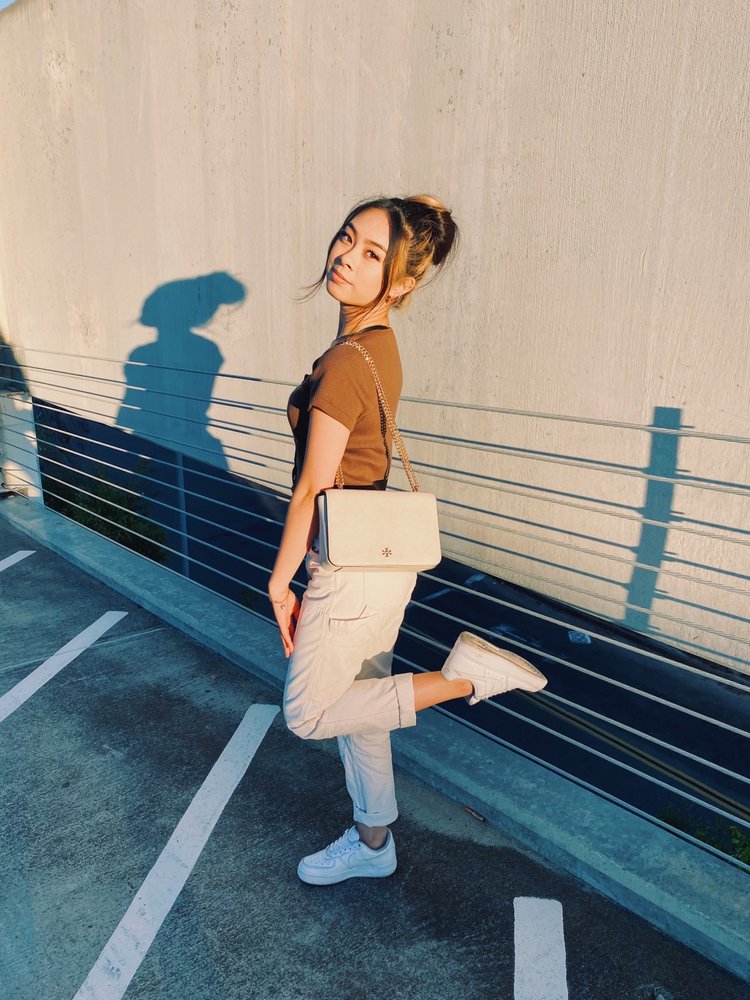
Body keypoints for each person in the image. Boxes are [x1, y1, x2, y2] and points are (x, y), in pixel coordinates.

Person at [268, 195, 547, 886]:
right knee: (363, 712)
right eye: (347, 238)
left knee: (307, 714)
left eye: (371, 254)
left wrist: (279, 584)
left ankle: (467, 678)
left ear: (399, 284)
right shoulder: (378, 347)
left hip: (352, 568)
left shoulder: (348, 361)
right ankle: (373, 844)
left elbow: (312, 486)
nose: (345, 257)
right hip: (379, 563)